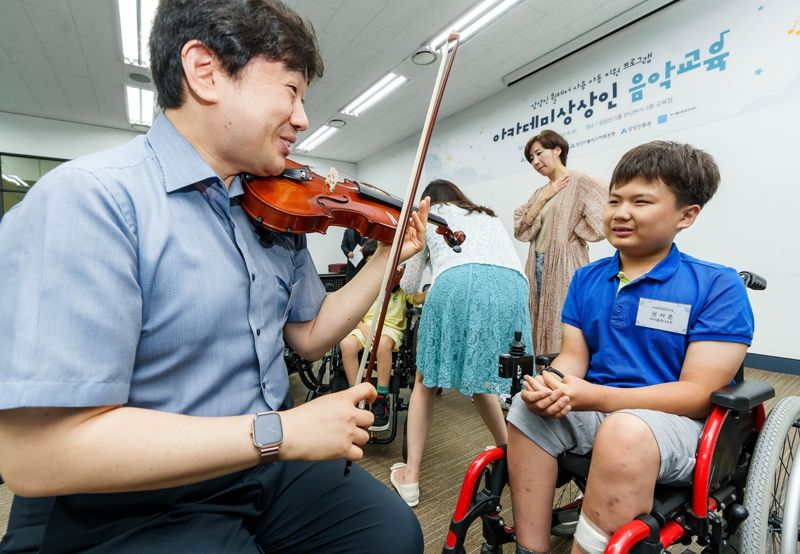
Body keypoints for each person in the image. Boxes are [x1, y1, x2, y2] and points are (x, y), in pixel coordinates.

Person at [0, 1, 427, 553]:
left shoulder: (272, 206)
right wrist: (284, 431)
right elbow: (37, 458)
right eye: (291, 89)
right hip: (133, 495)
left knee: (392, 537)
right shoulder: (92, 200)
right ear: (205, 71)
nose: (302, 117)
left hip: (262, 465)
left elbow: (310, 333)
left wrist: (382, 261)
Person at [505, 141, 754, 554]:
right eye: (615, 200)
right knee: (524, 408)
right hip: (598, 408)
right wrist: (551, 384)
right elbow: (573, 357)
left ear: (686, 215)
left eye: (641, 201)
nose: (620, 212)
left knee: (625, 431)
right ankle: (531, 548)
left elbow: (696, 395)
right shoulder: (586, 279)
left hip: (671, 425)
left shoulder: (717, 285)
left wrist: (601, 397)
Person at [389, 179, 532, 507]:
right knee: (483, 374)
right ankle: (510, 451)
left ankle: (410, 477)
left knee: (425, 379)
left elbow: (410, 284)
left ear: (429, 200)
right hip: (513, 287)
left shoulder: (426, 217)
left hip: (457, 282)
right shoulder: (487, 215)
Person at [514, 129, 606, 356]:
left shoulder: (580, 181)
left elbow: (607, 215)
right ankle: (540, 377)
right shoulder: (539, 192)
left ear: (557, 149)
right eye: (531, 159)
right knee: (537, 316)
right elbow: (521, 231)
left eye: (539, 153)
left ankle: (564, 376)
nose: (535, 161)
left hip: (566, 261)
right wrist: (544, 198)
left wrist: (576, 229)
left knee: (563, 318)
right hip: (536, 262)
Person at [340, 240, 427, 432]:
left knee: (382, 344)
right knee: (346, 344)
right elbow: (353, 314)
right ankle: (356, 394)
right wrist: (363, 329)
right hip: (366, 327)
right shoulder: (365, 285)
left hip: (390, 329)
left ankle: (381, 397)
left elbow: (418, 298)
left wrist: (433, 287)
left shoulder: (402, 285)